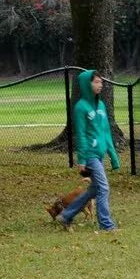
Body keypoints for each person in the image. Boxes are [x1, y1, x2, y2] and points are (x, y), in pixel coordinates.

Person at [55, 68, 120, 231]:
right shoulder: (80, 107)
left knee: (94, 189)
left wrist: (113, 155)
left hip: (99, 154)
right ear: (87, 84)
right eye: (96, 82)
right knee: (103, 187)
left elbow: (106, 131)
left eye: (101, 82)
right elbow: (81, 134)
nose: (101, 85)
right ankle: (106, 224)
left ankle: (65, 215)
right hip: (90, 155)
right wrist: (82, 160)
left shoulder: (102, 105)